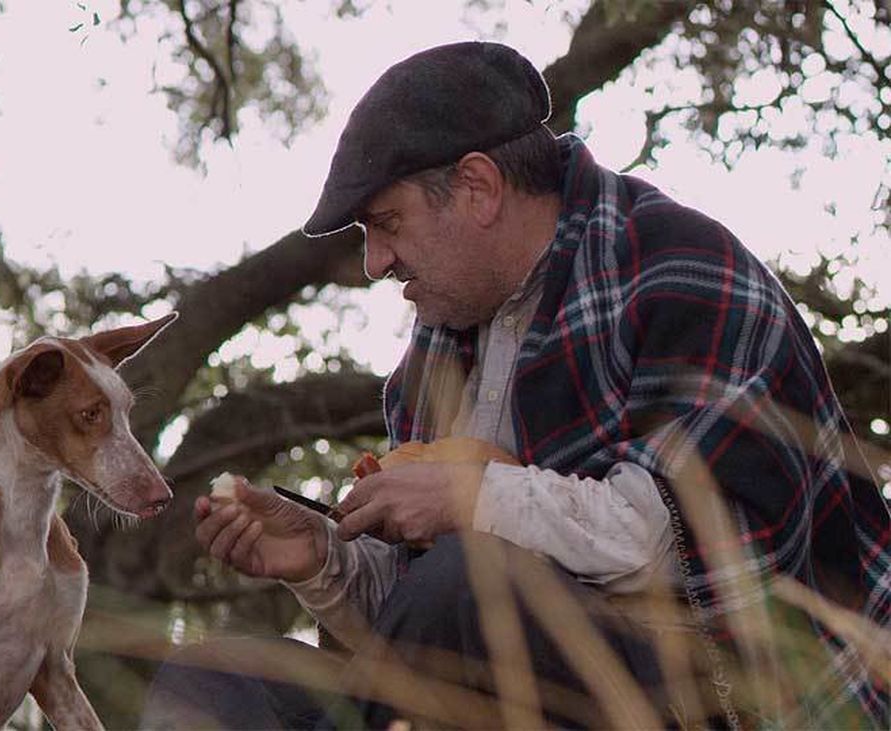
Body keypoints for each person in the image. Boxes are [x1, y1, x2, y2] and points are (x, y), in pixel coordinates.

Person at [142, 41, 890, 729]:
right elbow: (419, 631)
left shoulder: (680, 267)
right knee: (216, 672)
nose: (374, 262)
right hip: (530, 680)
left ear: (476, 188)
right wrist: (322, 558)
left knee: (472, 579)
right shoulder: (436, 351)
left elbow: (694, 547)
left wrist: (468, 496)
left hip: (736, 692)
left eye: (386, 222)